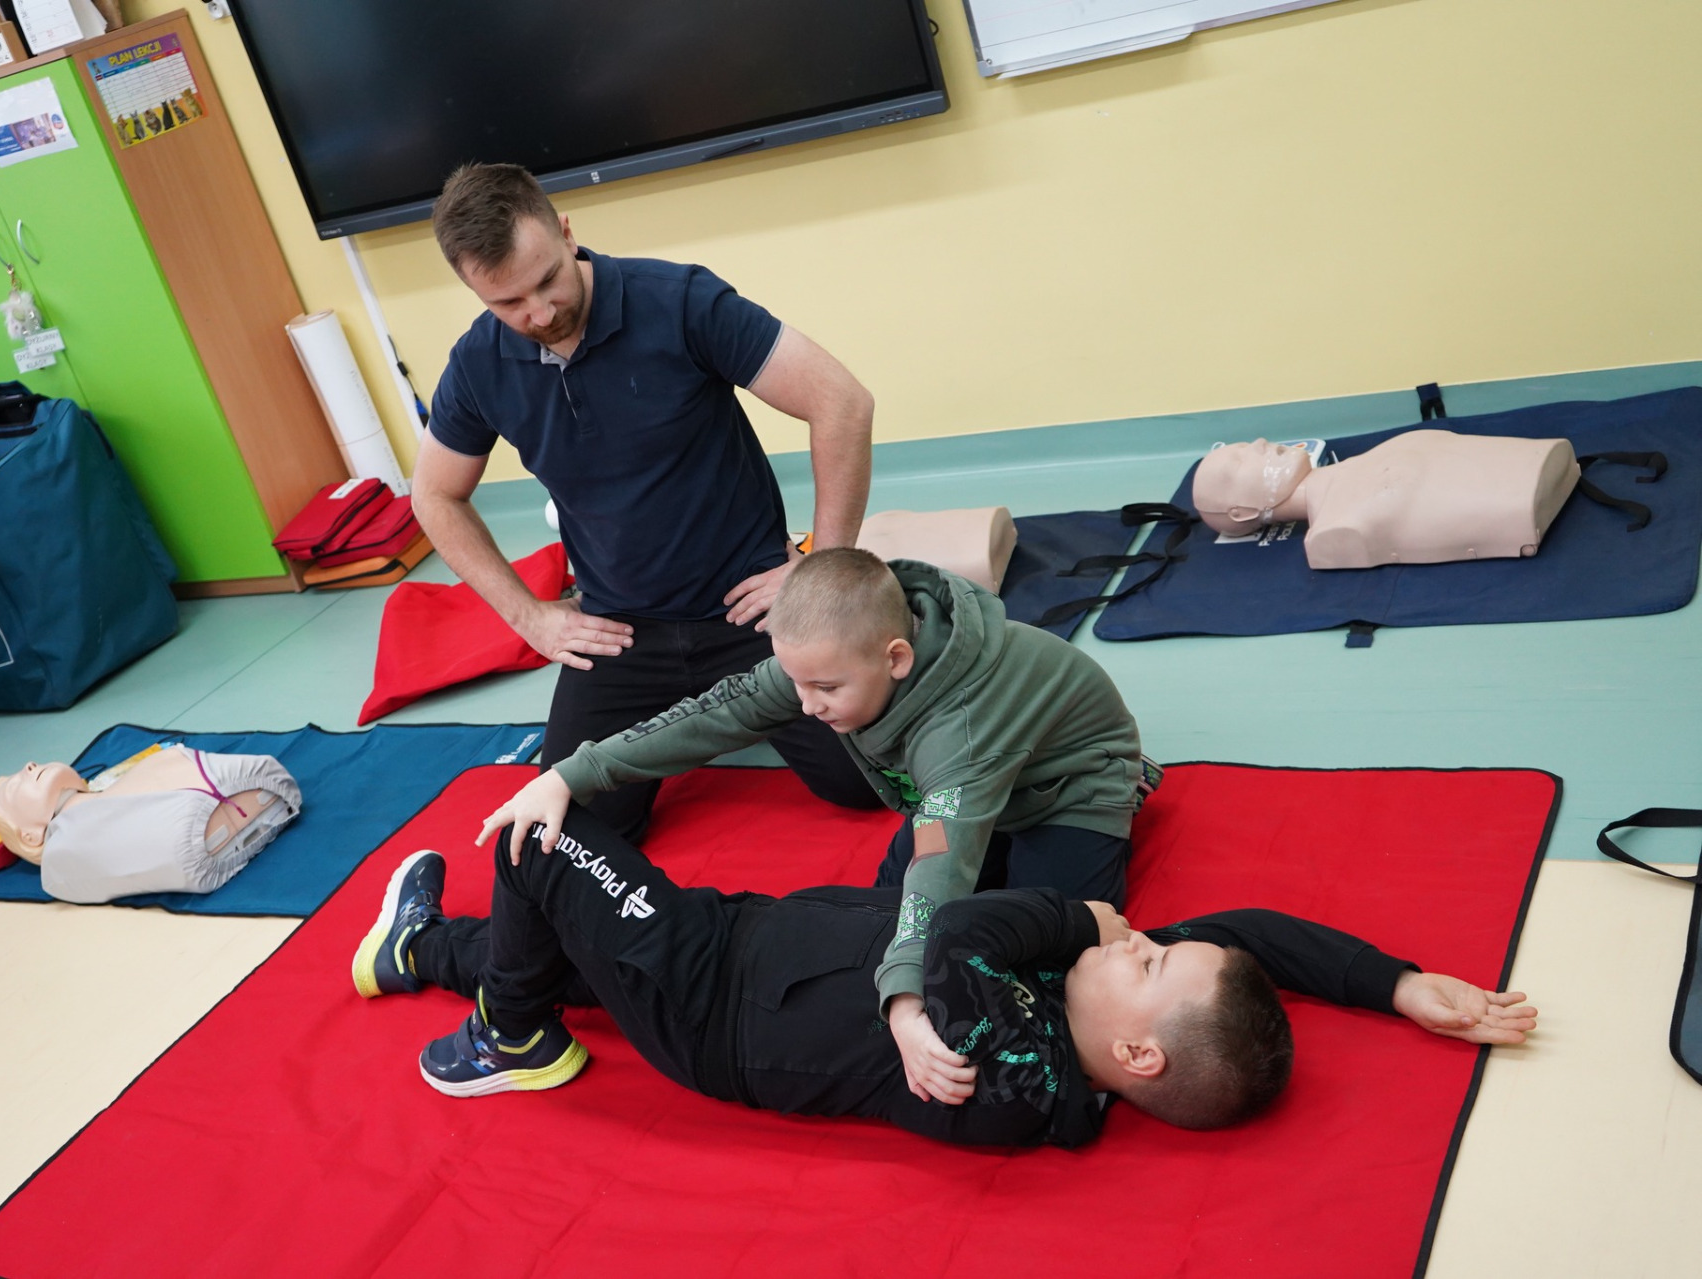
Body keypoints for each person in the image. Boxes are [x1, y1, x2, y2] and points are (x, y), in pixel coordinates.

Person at [351, 807, 1536, 1146]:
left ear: (1138, 1055)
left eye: (1152, 959)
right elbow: (1248, 934)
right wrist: (1396, 983)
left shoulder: (1019, 1082)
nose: (1139, 938)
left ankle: (510, 1037)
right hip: (750, 940)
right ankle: (423, 952)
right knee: (564, 946)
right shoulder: (1094, 999)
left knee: (544, 835)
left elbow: (962, 931)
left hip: (711, 1001)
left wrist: (1071, 912)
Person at [479, 547, 1145, 1102]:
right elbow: (719, 712)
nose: (805, 706)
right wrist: (572, 773)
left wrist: (905, 1001)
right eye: (796, 683)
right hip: (960, 788)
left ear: (896, 659)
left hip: (1065, 791)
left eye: (824, 690)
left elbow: (941, 855)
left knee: (1054, 972)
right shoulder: (833, 656)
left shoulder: (959, 733)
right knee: (887, 931)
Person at [411, 162, 881, 842]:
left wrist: (822, 570)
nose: (539, 313)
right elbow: (434, 494)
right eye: (509, 303)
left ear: (566, 232)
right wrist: (530, 617)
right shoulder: (478, 363)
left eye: (547, 280)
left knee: (866, 781)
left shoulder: (680, 301)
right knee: (572, 832)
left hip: (749, 610)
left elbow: (842, 402)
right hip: (621, 631)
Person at [1191, 432, 1584, 569]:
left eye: (1245, 445)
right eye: (1239, 462)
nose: (1261, 443)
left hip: (1548, 467)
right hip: (1532, 503)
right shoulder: (1336, 529)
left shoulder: (1372, 460)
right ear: (1241, 513)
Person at [0, 747, 300, 904]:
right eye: (16, 785)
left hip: (228, 800)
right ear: (30, 836)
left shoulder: (122, 789)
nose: (29, 766)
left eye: (27, 768)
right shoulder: (62, 858)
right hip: (208, 826)